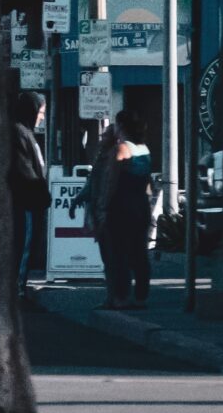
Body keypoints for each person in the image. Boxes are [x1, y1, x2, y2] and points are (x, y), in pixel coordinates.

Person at [83, 109, 156, 309]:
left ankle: (121, 297)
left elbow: (111, 182)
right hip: (141, 204)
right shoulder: (144, 149)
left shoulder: (121, 149)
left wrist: (103, 206)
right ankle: (141, 295)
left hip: (121, 206)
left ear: (121, 126)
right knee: (139, 252)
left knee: (119, 253)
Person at [9, 92, 49, 300]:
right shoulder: (18, 133)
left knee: (28, 245)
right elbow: (24, 169)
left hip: (31, 202)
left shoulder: (26, 133)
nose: (41, 117)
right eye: (40, 112)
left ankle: (19, 287)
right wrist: (39, 194)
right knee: (23, 245)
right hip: (25, 202)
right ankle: (17, 290)